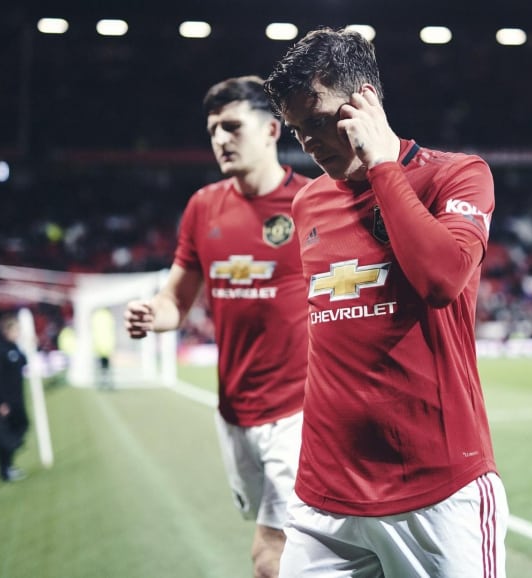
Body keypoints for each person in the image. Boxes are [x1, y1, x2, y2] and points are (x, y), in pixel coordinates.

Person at [264, 27, 508, 577]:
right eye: (299, 131)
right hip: (325, 498)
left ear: (365, 101)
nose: (309, 143)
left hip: (436, 491)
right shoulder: (308, 203)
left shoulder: (457, 176)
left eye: (319, 121)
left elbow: (441, 279)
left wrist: (382, 167)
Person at [124, 76, 310, 578]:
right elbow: (175, 301)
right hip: (234, 410)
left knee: (271, 555)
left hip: (298, 411)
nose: (221, 139)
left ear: (272, 130)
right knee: (288, 548)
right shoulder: (203, 206)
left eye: (232, 126)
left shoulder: (312, 201)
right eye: (212, 131)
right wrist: (152, 314)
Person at [0, 316, 28, 483]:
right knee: (4, 435)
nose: (18, 333)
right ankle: (4, 470)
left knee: (20, 427)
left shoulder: (14, 348)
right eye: (15, 330)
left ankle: (9, 465)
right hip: (5, 402)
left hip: (16, 398)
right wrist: (1, 403)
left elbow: (23, 362)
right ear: (6, 331)